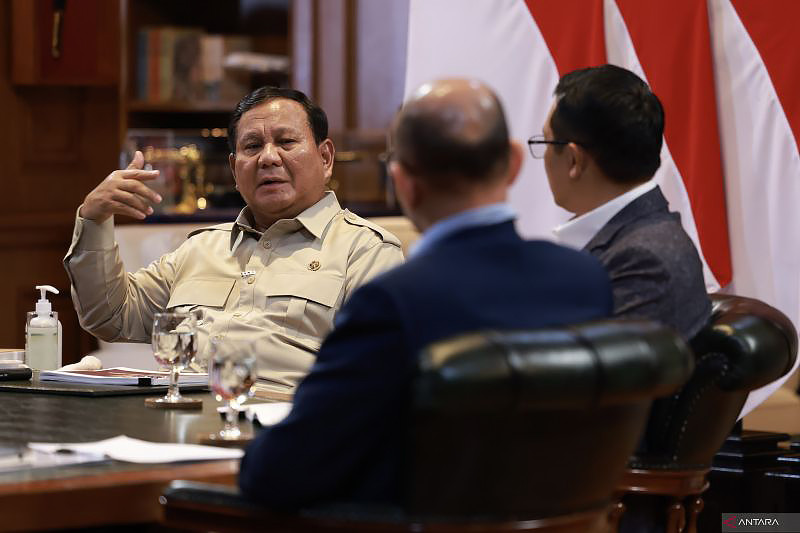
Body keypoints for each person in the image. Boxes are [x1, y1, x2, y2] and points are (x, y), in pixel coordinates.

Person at [238, 79, 614, 508]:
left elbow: (278, 472)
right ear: (512, 163)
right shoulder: (586, 279)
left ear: (403, 184)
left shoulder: (391, 304)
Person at [63, 87, 404, 387]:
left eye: (286, 142)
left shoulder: (365, 251)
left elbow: (375, 374)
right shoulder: (200, 248)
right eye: (252, 146)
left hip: (285, 429)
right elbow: (110, 316)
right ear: (233, 169)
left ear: (326, 158)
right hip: (181, 417)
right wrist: (94, 218)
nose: (268, 158)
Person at [532, 64, 711, 341]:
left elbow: (582, 376)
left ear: (573, 160)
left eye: (546, 141)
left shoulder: (644, 258)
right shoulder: (640, 237)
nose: (543, 156)